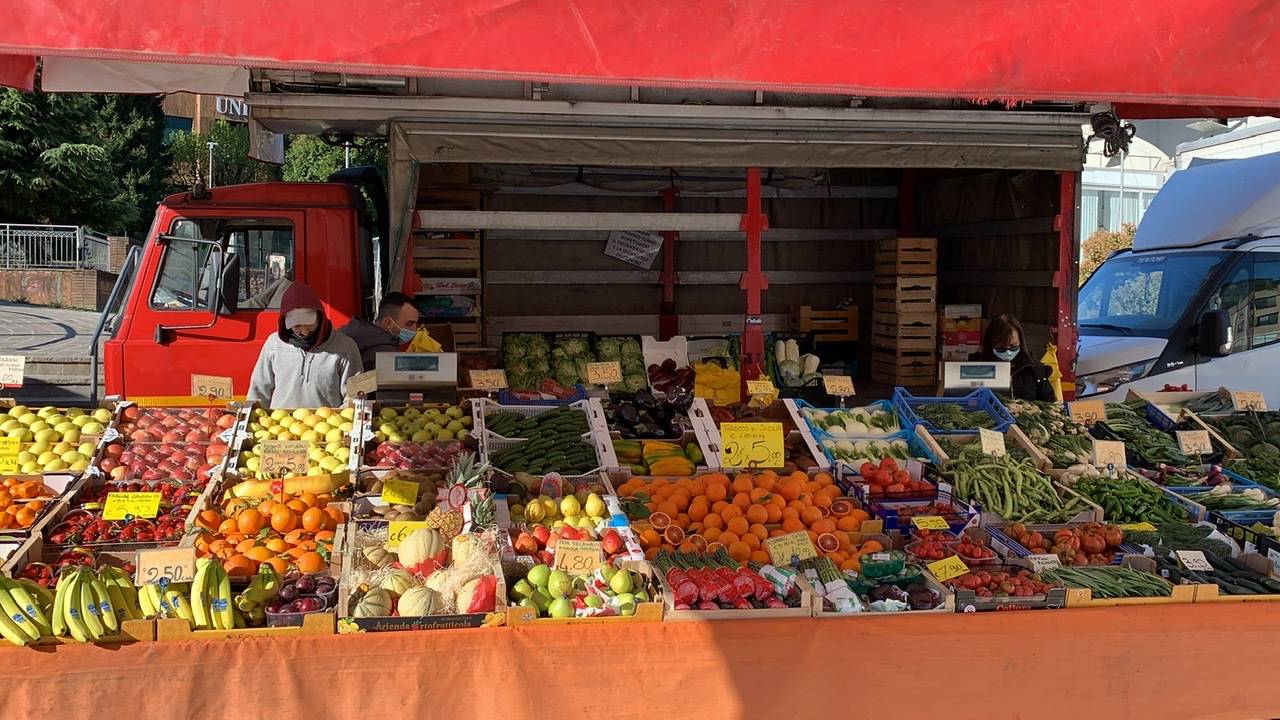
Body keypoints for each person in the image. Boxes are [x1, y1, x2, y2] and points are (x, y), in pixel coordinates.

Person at [248, 283, 363, 408]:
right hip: (280, 424)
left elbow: (355, 398)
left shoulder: (346, 347)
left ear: (319, 317)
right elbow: (258, 391)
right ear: (285, 322)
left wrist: (339, 420)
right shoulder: (274, 344)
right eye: (296, 325)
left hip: (327, 425)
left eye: (308, 324)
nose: (304, 331)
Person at [970, 313, 1056, 401]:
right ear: (990, 344)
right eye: (1001, 348)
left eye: (1013, 346)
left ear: (1020, 342)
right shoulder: (976, 367)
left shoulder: (1034, 369)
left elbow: (1051, 403)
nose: (1008, 352)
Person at [339, 292, 422, 371]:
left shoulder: (351, 332)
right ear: (388, 323)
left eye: (416, 323)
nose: (414, 329)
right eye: (409, 323)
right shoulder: (388, 356)